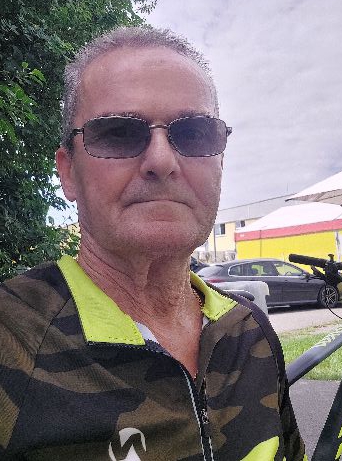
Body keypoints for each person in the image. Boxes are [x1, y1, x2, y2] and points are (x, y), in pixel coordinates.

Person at [0, 27, 306, 461]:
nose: (162, 160)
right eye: (118, 133)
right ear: (68, 172)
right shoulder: (11, 339)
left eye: (195, 133)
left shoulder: (248, 328)